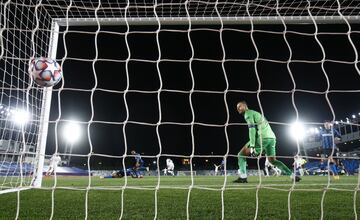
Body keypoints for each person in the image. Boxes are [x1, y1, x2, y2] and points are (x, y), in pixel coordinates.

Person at [233, 101, 301, 183]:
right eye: (237, 107)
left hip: (263, 137)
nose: (238, 108)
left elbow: (252, 129)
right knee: (272, 160)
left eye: (239, 106)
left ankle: (243, 177)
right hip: (272, 138)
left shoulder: (248, 113)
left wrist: (252, 146)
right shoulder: (255, 113)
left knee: (241, 154)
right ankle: (292, 175)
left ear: (245, 106)